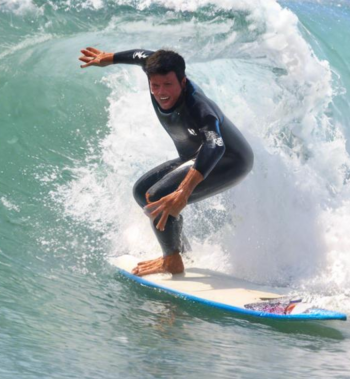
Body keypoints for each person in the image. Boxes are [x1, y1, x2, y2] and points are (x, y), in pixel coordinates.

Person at [79, 47, 254, 276]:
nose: (161, 92)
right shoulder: (155, 70)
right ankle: (180, 250)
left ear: (182, 82)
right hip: (197, 156)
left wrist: (183, 191)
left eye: (168, 85)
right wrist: (109, 59)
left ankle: (171, 260)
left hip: (230, 160)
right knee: (142, 192)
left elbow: (215, 144)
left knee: (158, 195)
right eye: (155, 85)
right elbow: (140, 55)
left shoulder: (198, 106)